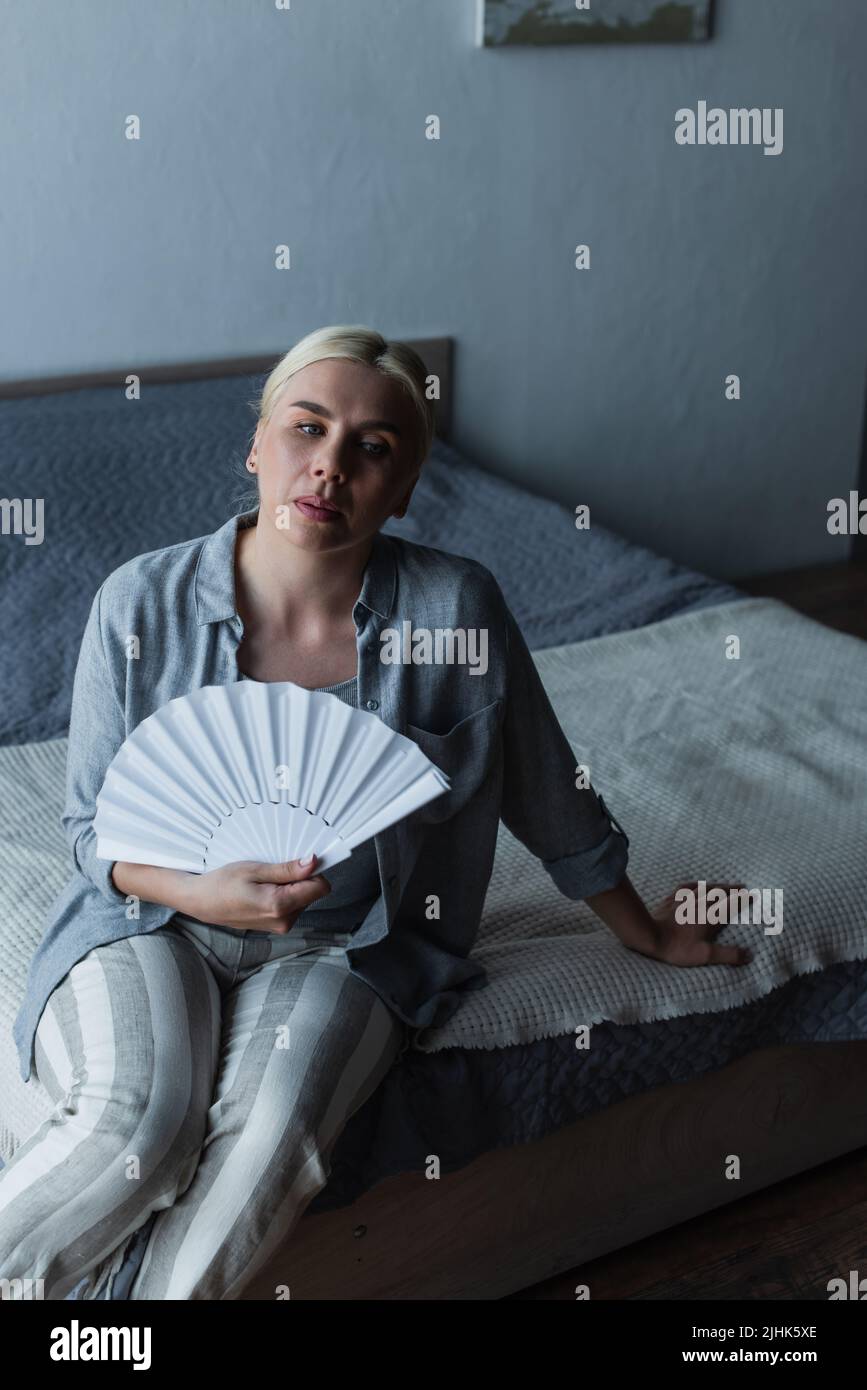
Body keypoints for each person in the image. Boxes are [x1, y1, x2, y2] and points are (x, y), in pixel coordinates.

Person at [0, 324, 749, 1301]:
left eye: (373, 447)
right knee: (137, 1122)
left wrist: (645, 929)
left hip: (352, 943)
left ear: (403, 491)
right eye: (306, 428)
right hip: (152, 918)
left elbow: (543, 787)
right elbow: (91, 835)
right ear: (257, 447)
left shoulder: (454, 610)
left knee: (273, 1141)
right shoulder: (138, 605)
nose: (330, 464)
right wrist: (200, 890)